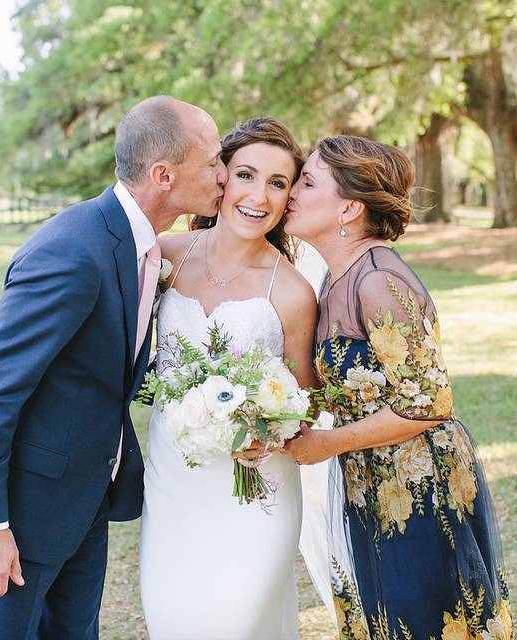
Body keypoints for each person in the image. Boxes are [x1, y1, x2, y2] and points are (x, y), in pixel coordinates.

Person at [0, 95, 226, 639]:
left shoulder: (145, 247)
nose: (224, 174)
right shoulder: (73, 248)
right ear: (164, 174)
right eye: (212, 162)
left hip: (85, 494)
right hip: (23, 509)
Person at [284, 135, 513, 640]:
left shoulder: (380, 281)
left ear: (349, 206)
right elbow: (356, 385)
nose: (292, 192)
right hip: (370, 478)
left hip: (419, 482)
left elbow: (429, 405)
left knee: (427, 620)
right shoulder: (335, 278)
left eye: (307, 181)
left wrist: (326, 443)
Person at [139, 116, 318, 639]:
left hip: (255, 492)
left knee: (235, 625)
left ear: (288, 199)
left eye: (278, 183)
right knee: (172, 623)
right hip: (173, 483)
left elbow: (307, 397)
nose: (258, 196)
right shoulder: (164, 259)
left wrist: (267, 424)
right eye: (246, 174)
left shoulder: (292, 292)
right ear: (220, 178)